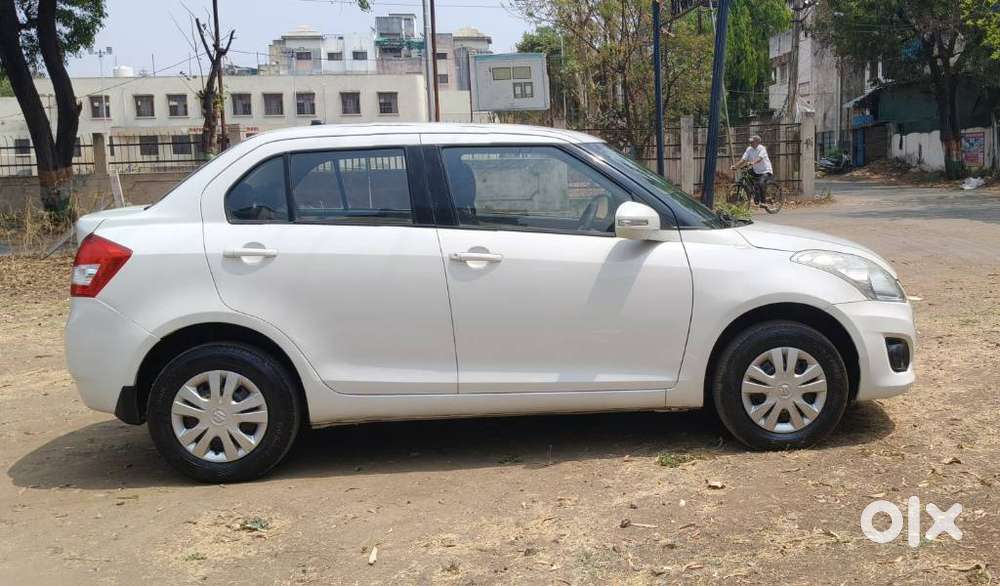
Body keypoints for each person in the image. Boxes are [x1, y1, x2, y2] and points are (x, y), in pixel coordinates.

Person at [731, 135, 773, 204]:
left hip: (766, 171)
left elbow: (760, 158)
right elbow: (743, 159)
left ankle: (763, 202)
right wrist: (735, 166)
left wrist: (752, 162)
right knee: (745, 174)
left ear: (757, 142)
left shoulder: (762, 149)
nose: (750, 143)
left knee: (760, 183)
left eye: (752, 142)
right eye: (750, 142)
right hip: (756, 170)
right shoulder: (749, 149)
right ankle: (754, 193)